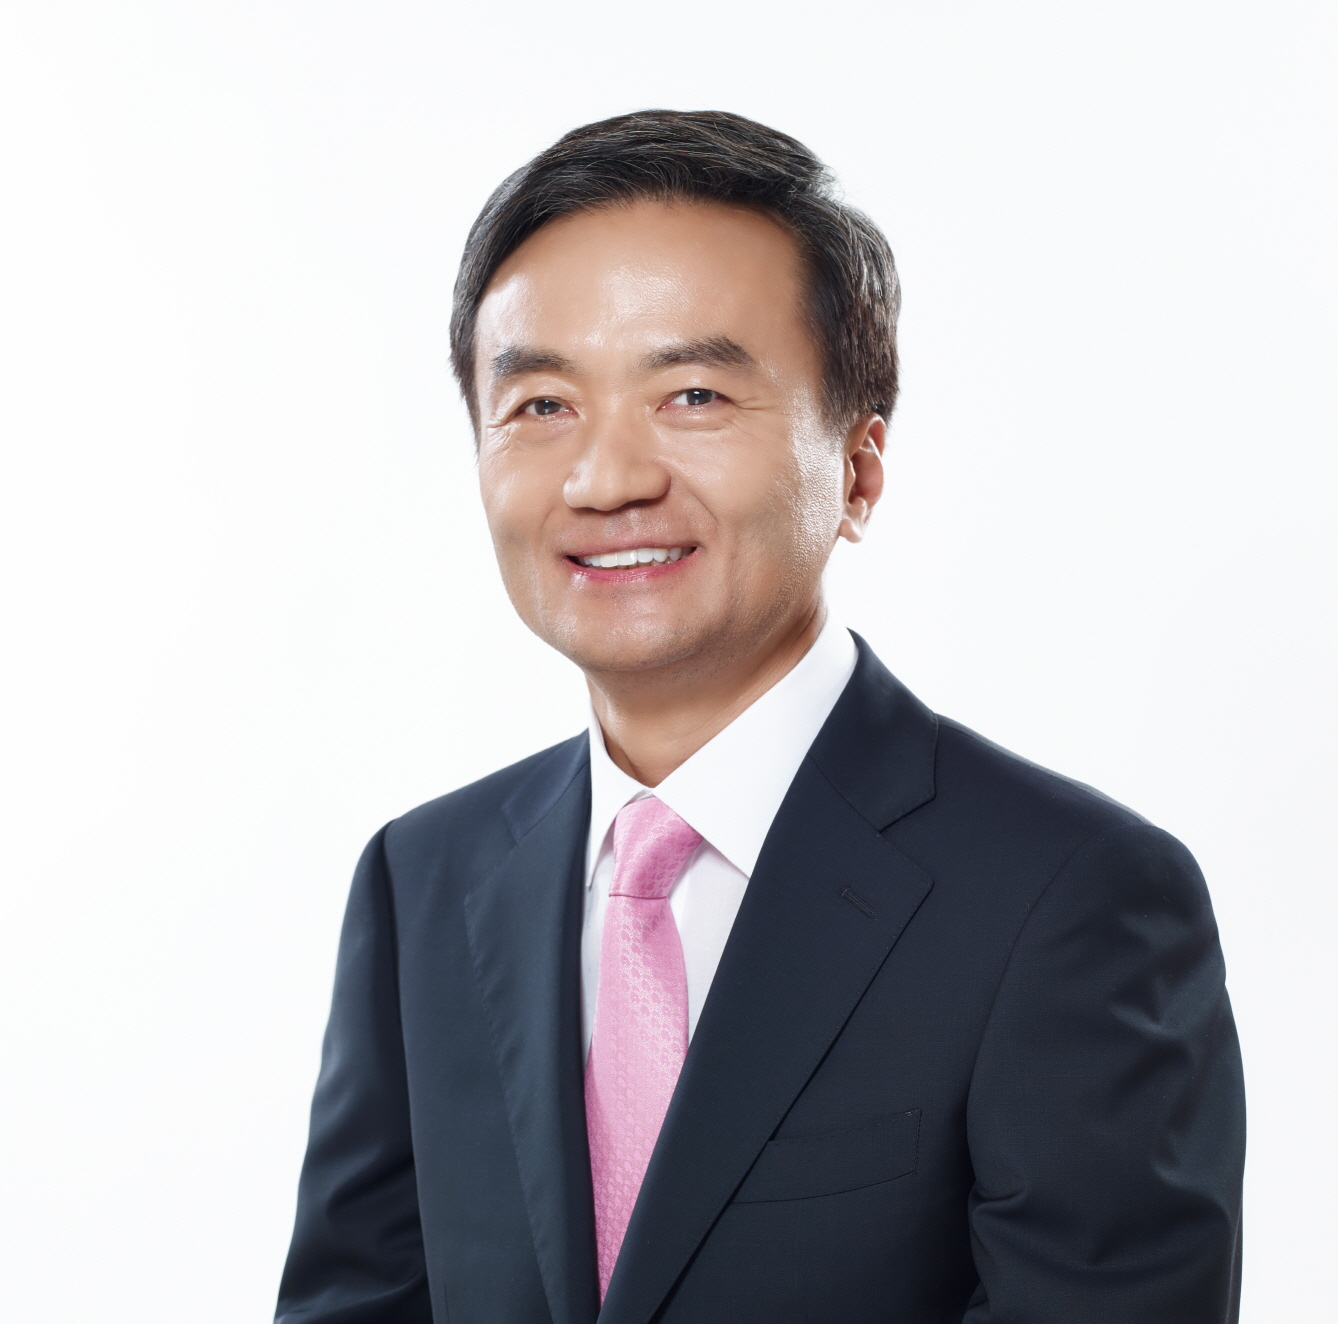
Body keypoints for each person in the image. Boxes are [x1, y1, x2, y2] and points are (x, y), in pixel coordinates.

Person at [275, 110, 1245, 1324]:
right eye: (541, 406)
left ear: (859, 469)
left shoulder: (1069, 898)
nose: (605, 479)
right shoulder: (424, 878)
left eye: (692, 393)